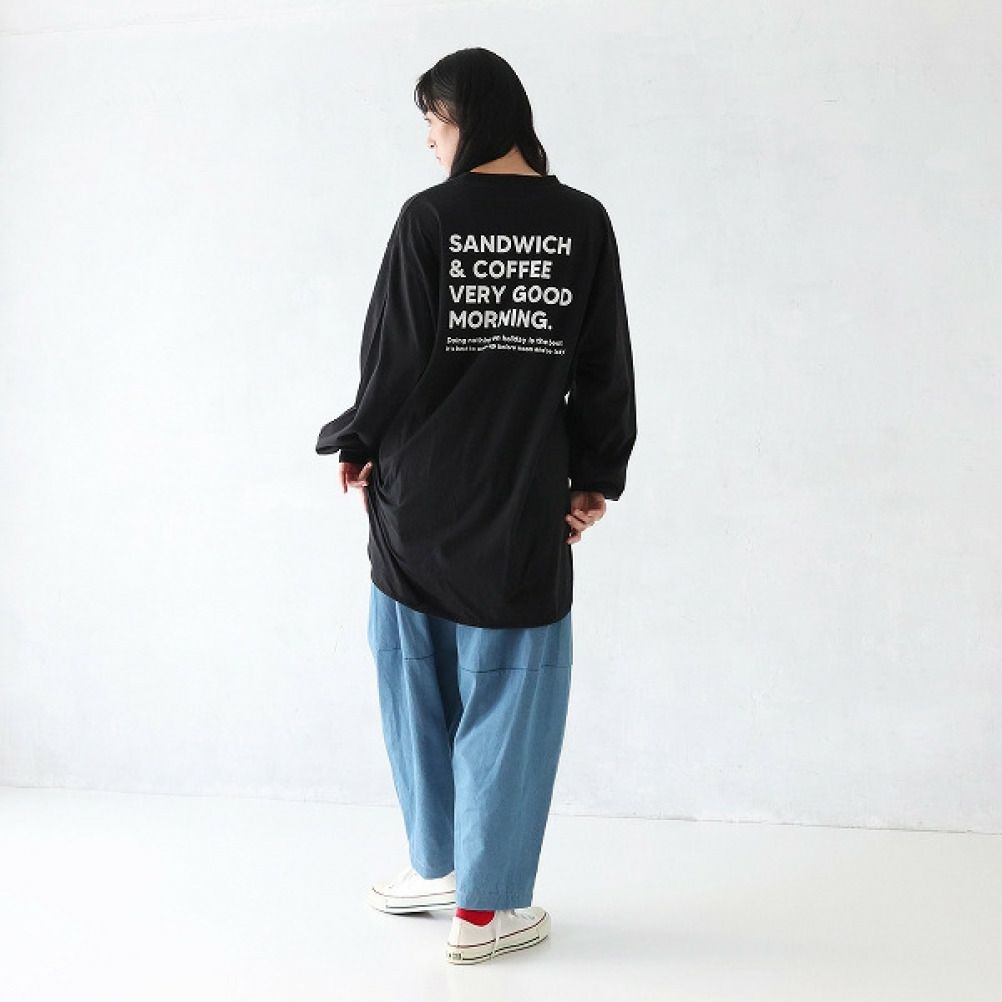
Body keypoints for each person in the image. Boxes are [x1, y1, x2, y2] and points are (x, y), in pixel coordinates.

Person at [315, 47, 637, 965]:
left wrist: (359, 438)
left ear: (473, 119)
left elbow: (394, 354)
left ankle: (443, 866)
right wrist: (595, 474)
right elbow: (604, 365)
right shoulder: (583, 222)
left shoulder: (430, 218)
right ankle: (477, 904)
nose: (430, 141)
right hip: (522, 494)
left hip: (418, 491)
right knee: (510, 691)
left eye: (435, 121)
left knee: (415, 677)